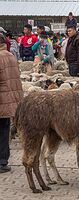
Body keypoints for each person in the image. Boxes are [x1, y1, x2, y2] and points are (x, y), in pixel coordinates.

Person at [0, 34, 23, 173]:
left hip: (1, 99)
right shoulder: (10, 56)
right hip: (9, 101)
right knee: (4, 130)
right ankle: (3, 161)